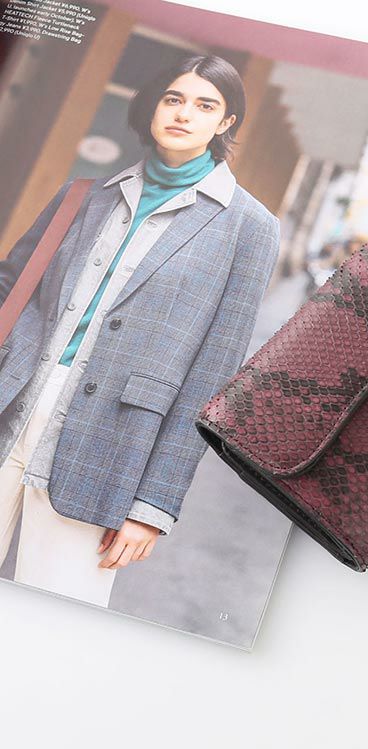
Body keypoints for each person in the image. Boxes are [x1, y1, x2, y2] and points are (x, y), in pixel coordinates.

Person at [0, 54, 280, 606]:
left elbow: (213, 377)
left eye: (205, 105)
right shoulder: (84, 195)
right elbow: (11, 285)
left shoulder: (250, 227)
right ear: (153, 105)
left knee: (59, 614)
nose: (184, 114)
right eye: (173, 99)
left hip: (109, 444)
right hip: (13, 403)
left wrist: (154, 504)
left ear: (225, 123)